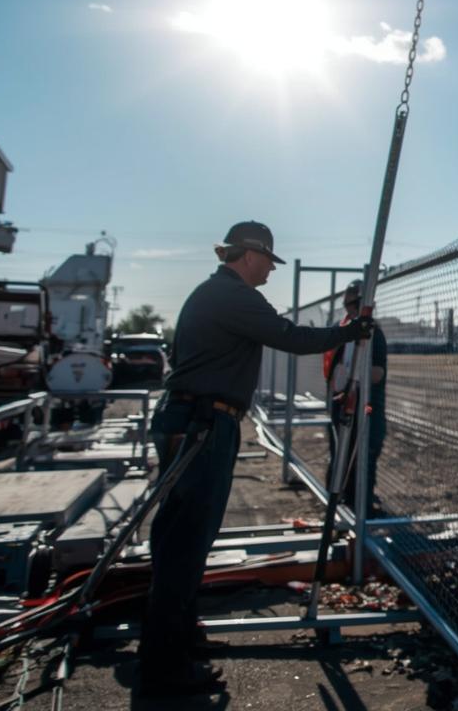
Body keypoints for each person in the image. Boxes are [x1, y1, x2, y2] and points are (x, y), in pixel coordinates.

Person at [138, 222, 371, 697]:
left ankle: (177, 639)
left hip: (191, 419)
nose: (270, 270)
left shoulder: (213, 293)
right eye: (268, 261)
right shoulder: (233, 295)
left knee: (178, 539)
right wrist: (347, 331)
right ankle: (166, 666)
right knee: (185, 543)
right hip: (204, 424)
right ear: (248, 256)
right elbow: (287, 335)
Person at [323, 279, 387, 515]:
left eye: (352, 305)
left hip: (367, 408)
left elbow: (378, 373)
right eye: (347, 305)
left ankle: (361, 508)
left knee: (364, 455)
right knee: (340, 453)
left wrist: (355, 374)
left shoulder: (373, 335)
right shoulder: (344, 333)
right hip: (342, 404)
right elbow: (333, 369)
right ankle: (340, 502)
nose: (348, 310)